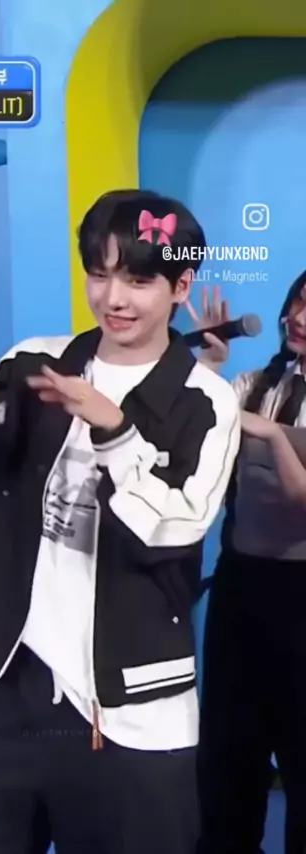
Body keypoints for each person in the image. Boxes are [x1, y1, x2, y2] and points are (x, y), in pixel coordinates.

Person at [0, 189, 240, 854]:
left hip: (132, 706)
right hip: (5, 683)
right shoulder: (33, 364)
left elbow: (172, 532)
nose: (114, 298)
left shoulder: (206, 401)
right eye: (99, 274)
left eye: (138, 280)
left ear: (180, 286)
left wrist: (115, 430)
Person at [193, 272, 306, 854]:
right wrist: (208, 366)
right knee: (227, 754)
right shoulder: (253, 384)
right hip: (240, 588)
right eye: (298, 303)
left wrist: (275, 438)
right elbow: (195, 444)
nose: (298, 318)